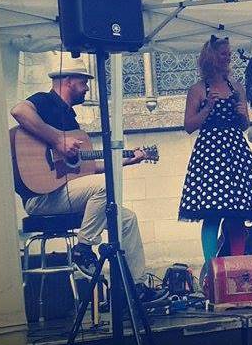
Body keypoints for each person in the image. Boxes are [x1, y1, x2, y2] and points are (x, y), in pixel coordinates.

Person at [10, 57, 149, 283]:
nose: (86, 89)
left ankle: (137, 287)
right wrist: (57, 140)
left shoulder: (71, 122)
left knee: (127, 219)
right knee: (105, 187)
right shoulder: (45, 102)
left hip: (65, 192)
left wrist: (127, 160)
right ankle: (83, 249)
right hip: (41, 198)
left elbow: (86, 169)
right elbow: (18, 111)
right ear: (67, 81)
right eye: (83, 82)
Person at [178, 35, 252, 266]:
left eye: (229, 54)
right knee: (212, 214)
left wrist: (242, 114)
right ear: (211, 57)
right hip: (210, 154)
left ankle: (236, 267)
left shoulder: (237, 88)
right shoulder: (197, 90)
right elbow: (189, 126)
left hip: (235, 152)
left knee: (236, 216)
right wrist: (208, 107)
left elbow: (245, 125)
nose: (228, 58)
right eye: (223, 54)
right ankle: (211, 268)